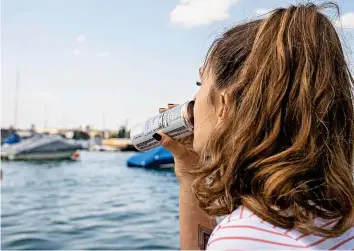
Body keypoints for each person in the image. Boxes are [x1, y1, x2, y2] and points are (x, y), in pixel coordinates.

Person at [154, 2, 354, 250]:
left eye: (200, 83)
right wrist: (189, 172)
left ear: (225, 103)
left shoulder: (243, 238)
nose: (193, 101)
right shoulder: (333, 213)